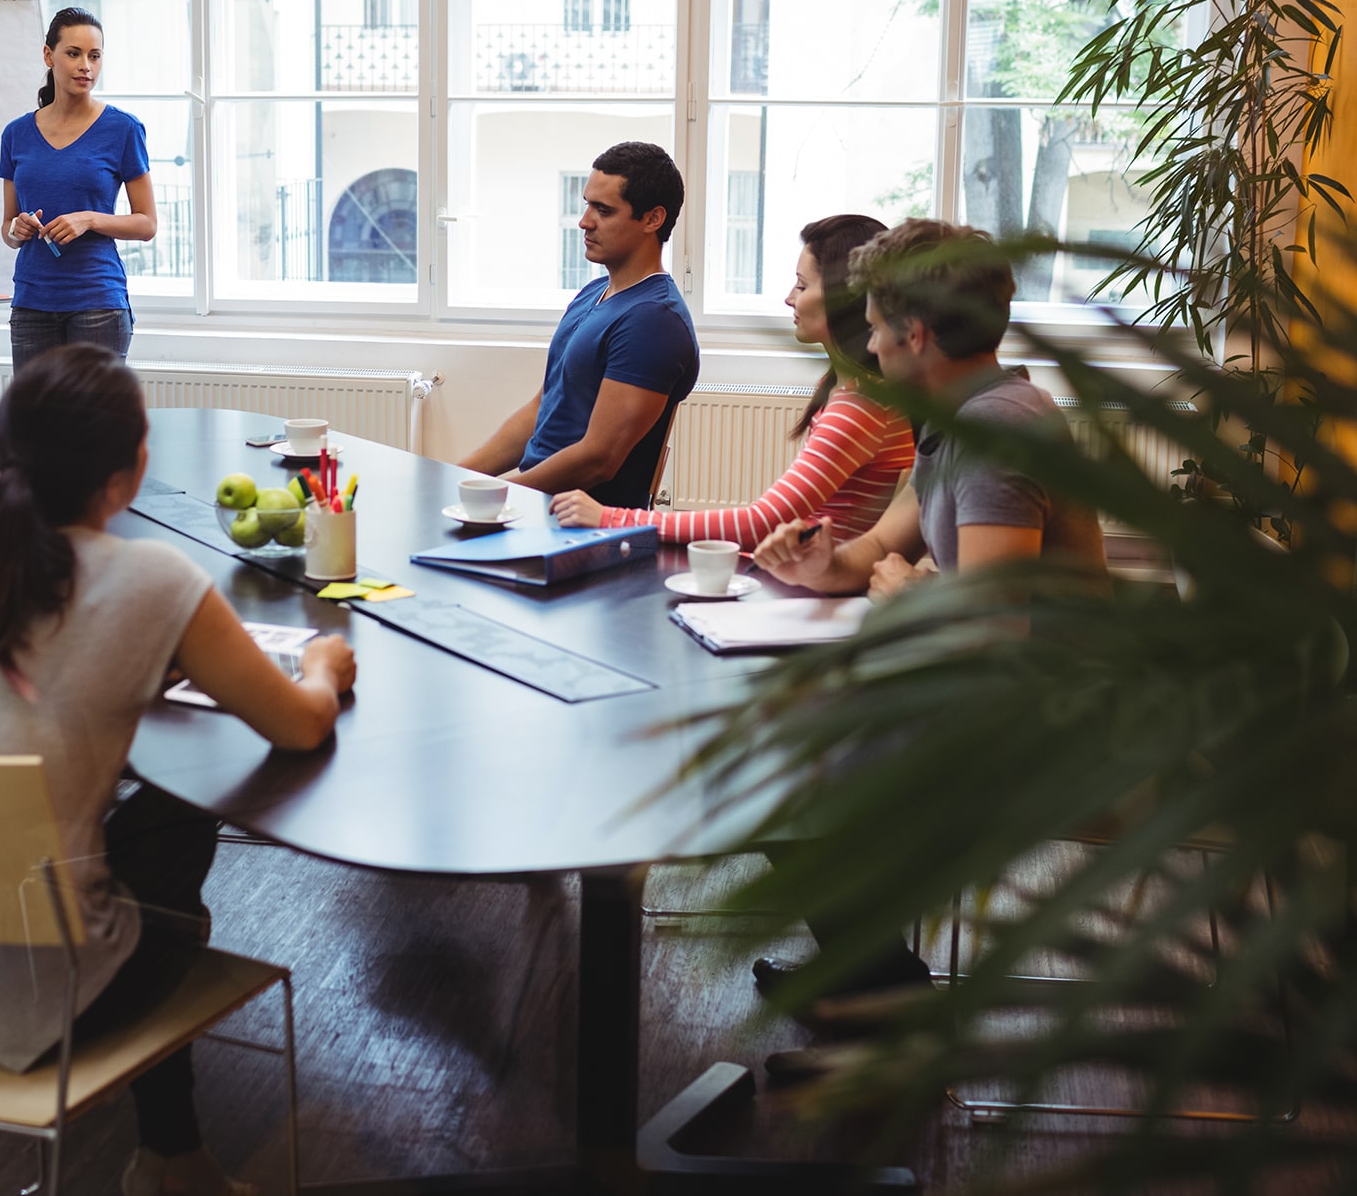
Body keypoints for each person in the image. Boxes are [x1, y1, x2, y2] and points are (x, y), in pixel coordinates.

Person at [0, 344, 355, 1196]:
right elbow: (300, 727)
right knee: (179, 812)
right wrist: (325, 665)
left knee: (126, 817)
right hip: (33, 999)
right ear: (131, 471)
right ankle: (173, 1160)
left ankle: (175, 1158)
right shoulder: (153, 577)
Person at [747, 219, 1106, 1026]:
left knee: (778, 763)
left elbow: (989, 629)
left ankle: (880, 987)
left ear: (915, 333)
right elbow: (878, 545)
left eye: (874, 328)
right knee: (779, 733)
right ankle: (865, 967)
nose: (868, 348)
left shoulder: (1001, 437)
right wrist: (821, 563)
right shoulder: (959, 415)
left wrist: (908, 592)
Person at [551, 214, 914, 546]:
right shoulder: (846, 389)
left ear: (846, 299)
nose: (789, 298)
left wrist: (609, 517)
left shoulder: (859, 409)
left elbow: (762, 521)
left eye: (802, 287)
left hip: (815, 588)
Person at [461, 142, 700, 508]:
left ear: (653, 219)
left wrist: (500, 497)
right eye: (587, 204)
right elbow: (542, 408)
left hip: (583, 527)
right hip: (538, 504)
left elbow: (597, 460)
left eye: (603, 211)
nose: (585, 221)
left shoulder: (654, 321)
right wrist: (454, 476)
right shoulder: (593, 294)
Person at [0, 6, 158, 368]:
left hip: (98, 305)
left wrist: (88, 219)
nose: (85, 65)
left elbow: (147, 223)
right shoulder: (15, 135)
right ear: (48, 55)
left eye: (94, 55)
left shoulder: (123, 130)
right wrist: (16, 228)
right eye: (73, 53)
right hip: (31, 305)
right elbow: (7, 229)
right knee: (36, 424)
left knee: (92, 426)